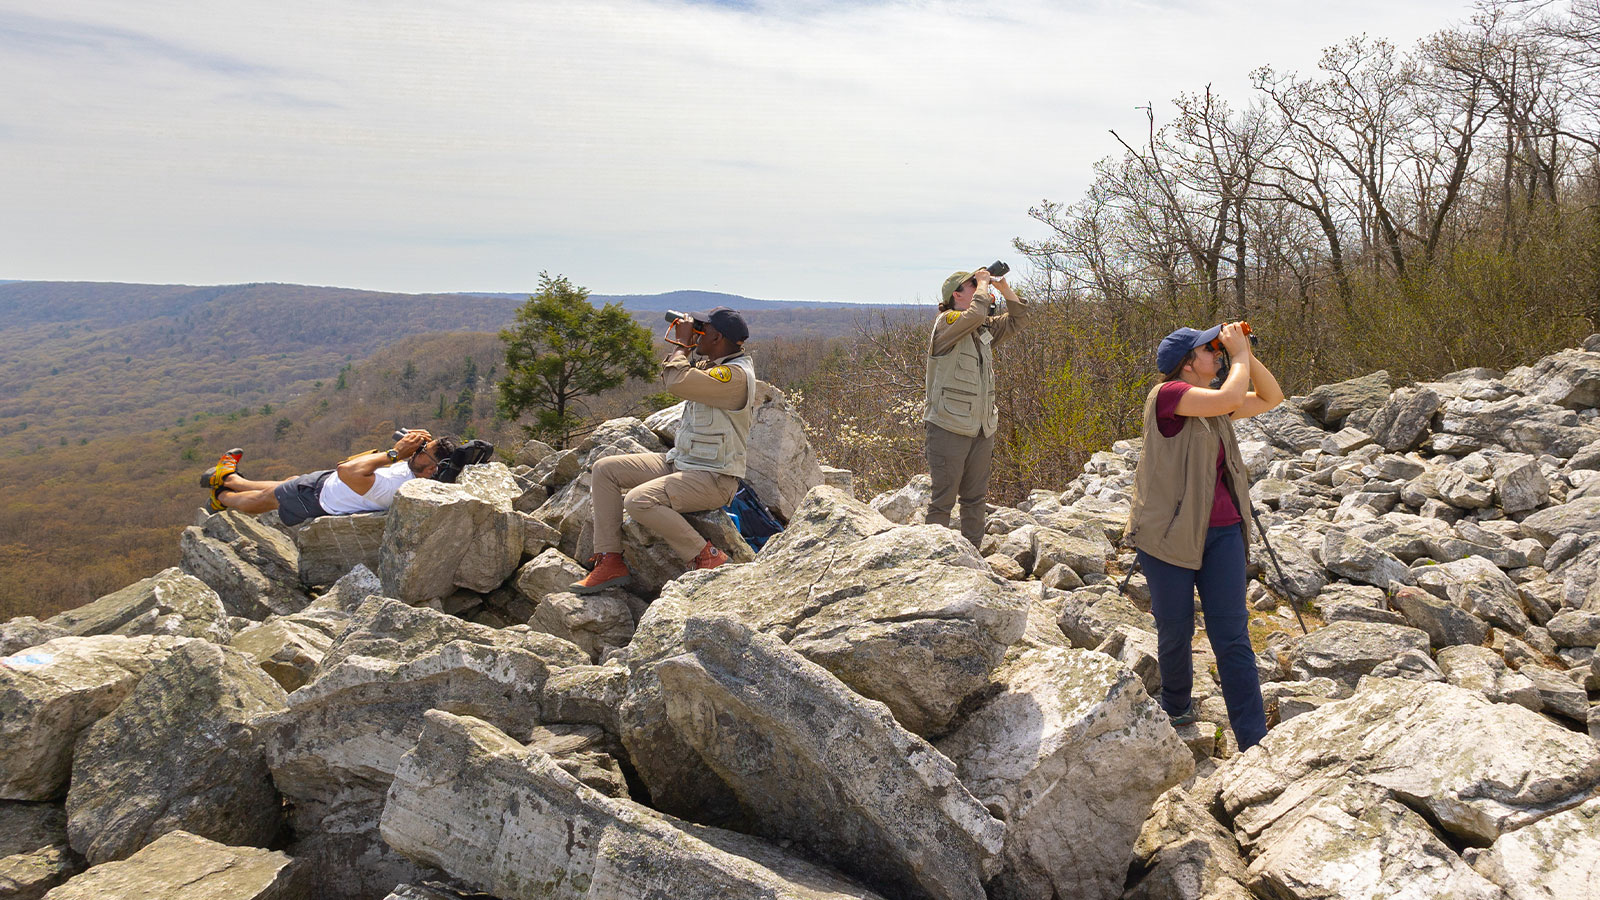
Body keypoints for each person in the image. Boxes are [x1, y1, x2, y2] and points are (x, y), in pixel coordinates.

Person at [1125, 322, 1284, 751]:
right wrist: (1238, 355)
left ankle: (1253, 739)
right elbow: (1231, 397)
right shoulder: (1168, 396)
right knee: (1175, 630)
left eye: (1217, 349)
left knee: (1232, 636)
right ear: (1187, 363)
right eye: (1207, 350)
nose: (1216, 355)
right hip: (1168, 536)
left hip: (1223, 533)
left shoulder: (1213, 404)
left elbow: (1271, 397)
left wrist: (1245, 352)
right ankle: (1177, 706)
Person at [572, 306, 755, 594]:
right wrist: (688, 348)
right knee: (605, 469)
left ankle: (707, 557)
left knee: (638, 500)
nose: (697, 334)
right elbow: (675, 377)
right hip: (683, 463)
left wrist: (682, 345)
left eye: (703, 330)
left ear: (717, 337)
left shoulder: (734, 376)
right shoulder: (714, 366)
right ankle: (609, 561)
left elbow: (677, 382)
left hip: (713, 478)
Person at [923, 265, 1028, 548]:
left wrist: (1004, 288)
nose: (981, 286)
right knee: (943, 500)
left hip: (981, 428)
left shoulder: (981, 328)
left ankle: (973, 556)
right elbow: (977, 313)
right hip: (948, 426)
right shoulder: (947, 323)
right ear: (956, 295)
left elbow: (1019, 319)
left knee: (975, 498)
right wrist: (983, 282)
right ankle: (932, 558)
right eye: (972, 284)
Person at [199, 429, 458, 526]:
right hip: (327, 485)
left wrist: (395, 452)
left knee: (266, 498)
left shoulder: (396, 488)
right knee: (287, 482)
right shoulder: (421, 473)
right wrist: (416, 442)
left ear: (432, 469)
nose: (418, 450)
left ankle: (222, 493)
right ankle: (231, 480)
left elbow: (348, 471)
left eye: (424, 451)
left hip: (319, 499)